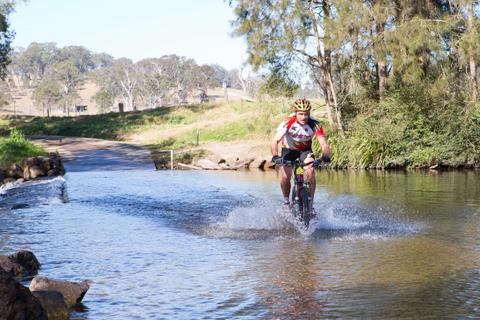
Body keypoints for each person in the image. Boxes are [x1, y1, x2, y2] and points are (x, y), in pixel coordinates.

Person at [270, 98, 331, 207]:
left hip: (305, 151)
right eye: (301, 114)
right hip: (288, 150)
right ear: (295, 113)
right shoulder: (288, 122)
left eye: (306, 114)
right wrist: (275, 156)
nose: (304, 117)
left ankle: (311, 205)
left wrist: (325, 157)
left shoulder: (314, 124)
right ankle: (286, 202)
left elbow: (323, 144)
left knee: (310, 172)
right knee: (285, 176)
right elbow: (275, 140)